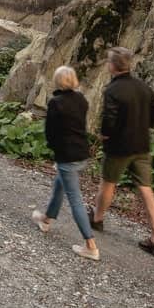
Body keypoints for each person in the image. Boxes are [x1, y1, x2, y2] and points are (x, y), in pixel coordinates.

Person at [89, 46, 154, 258]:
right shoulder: (144, 88)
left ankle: (97, 219)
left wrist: (104, 135)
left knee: (108, 183)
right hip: (142, 145)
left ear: (112, 66)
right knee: (146, 189)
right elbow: (153, 118)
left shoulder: (113, 90)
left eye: (108, 62)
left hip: (119, 147)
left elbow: (109, 119)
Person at [31, 65, 99, 261]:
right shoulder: (81, 99)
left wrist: (53, 148)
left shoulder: (56, 103)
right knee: (59, 185)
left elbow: (50, 131)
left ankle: (91, 245)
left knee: (75, 199)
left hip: (66, 155)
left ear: (58, 81)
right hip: (81, 152)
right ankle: (46, 220)